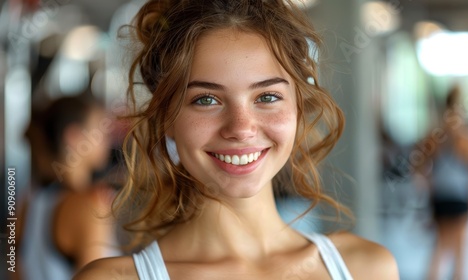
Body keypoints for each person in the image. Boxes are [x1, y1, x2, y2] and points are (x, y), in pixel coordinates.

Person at [75, 0, 399, 279]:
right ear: (165, 119)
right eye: (206, 100)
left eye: (267, 96)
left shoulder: (367, 268)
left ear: (299, 106)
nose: (241, 128)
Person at [18, 95, 119, 280]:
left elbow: (14, 271)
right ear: (73, 137)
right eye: (100, 130)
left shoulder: (28, 201)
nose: (108, 139)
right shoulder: (90, 207)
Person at [417, 86, 468, 280]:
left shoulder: (435, 134)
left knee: (439, 249)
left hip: (440, 197)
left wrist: (430, 189)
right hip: (460, 197)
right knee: (460, 253)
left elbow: (420, 169)